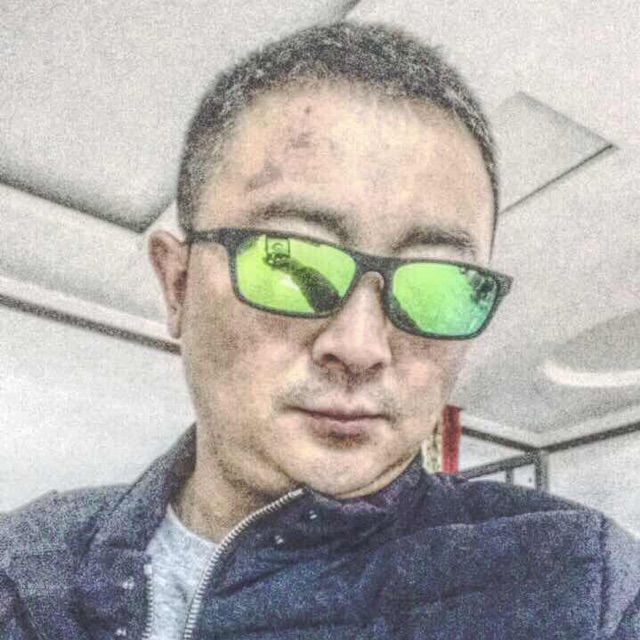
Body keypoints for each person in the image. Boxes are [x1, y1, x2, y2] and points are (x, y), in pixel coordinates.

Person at [1, 21, 638, 640]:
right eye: (291, 265)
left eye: (440, 285)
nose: (360, 348)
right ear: (178, 284)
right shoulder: (25, 570)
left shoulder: (577, 584)